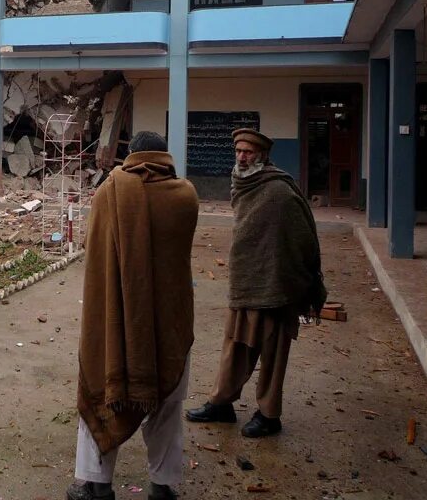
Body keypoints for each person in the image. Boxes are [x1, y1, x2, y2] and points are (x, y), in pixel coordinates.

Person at [68, 131, 199, 500]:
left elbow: (95, 259)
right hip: (169, 323)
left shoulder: (109, 193)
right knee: (168, 406)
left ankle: (97, 485)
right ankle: (162, 486)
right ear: (164, 156)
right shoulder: (186, 196)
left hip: (113, 321)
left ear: (132, 156)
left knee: (102, 392)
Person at [186, 128, 323, 438]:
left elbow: (301, 238)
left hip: (275, 287)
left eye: (248, 152)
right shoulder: (244, 185)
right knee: (235, 346)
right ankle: (222, 404)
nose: (242, 157)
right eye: (238, 152)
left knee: (273, 354)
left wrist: (293, 279)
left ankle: (269, 415)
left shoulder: (278, 191)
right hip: (245, 283)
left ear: (262, 156)